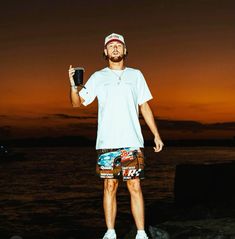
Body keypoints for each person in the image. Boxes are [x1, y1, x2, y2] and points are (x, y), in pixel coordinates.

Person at [68, 33, 164, 239]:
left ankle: (141, 233)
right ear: (105, 51)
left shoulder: (136, 75)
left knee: (135, 186)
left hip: (132, 142)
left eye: (118, 45)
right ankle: (110, 232)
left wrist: (156, 134)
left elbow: (144, 106)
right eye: (110, 45)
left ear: (125, 50)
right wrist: (73, 86)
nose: (114, 48)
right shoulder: (97, 77)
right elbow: (77, 103)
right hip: (107, 142)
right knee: (109, 186)